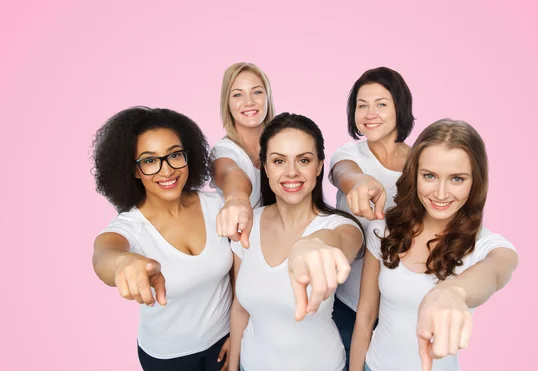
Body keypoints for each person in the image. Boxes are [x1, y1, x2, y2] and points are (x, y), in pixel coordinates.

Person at [349, 119, 519, 371]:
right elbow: (365, 316)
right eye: (429, 176)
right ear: (414, 174)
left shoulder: (486, 246)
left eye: (457, 179)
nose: (441, 193)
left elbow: (497, 270)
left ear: (475, 182)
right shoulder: (383, 231)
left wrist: (454, 292)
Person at [92, 107, 232, 371]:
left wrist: (239, 329)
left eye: (175, 155)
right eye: (149, 160)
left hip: (225, 343)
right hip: (168, 358)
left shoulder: (217, 205)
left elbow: (239, 272)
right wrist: (123, 263)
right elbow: (104, 253)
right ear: (133, 170)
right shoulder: (131, 226)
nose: (167, 170)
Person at [228, 113, 364, 371]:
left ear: (319, 166)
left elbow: (336, 242)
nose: (291, 172)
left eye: (304, 160)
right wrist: (234, 367)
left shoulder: (341, 227)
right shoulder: (247, 224)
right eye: (279, 161)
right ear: (266, 168)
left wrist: (312, 244)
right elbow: (239, 308)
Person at [329, 67, 416, 362]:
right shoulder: (350, 155)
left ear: (399, 107)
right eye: (361, 105)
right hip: (348, 306)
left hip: (399, 314)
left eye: (381, 104)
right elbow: (344, 173)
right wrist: (360, 182)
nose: (370, 113)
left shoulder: (421, 164)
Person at [210, 62, 275, 248]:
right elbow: (231, 174)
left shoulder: (282, 144)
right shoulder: (223, 151)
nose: (249, 102)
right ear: (227, 103)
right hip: (243, 251)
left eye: (257, 92)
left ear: (268, 97)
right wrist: (236, 199)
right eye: (237, 94)